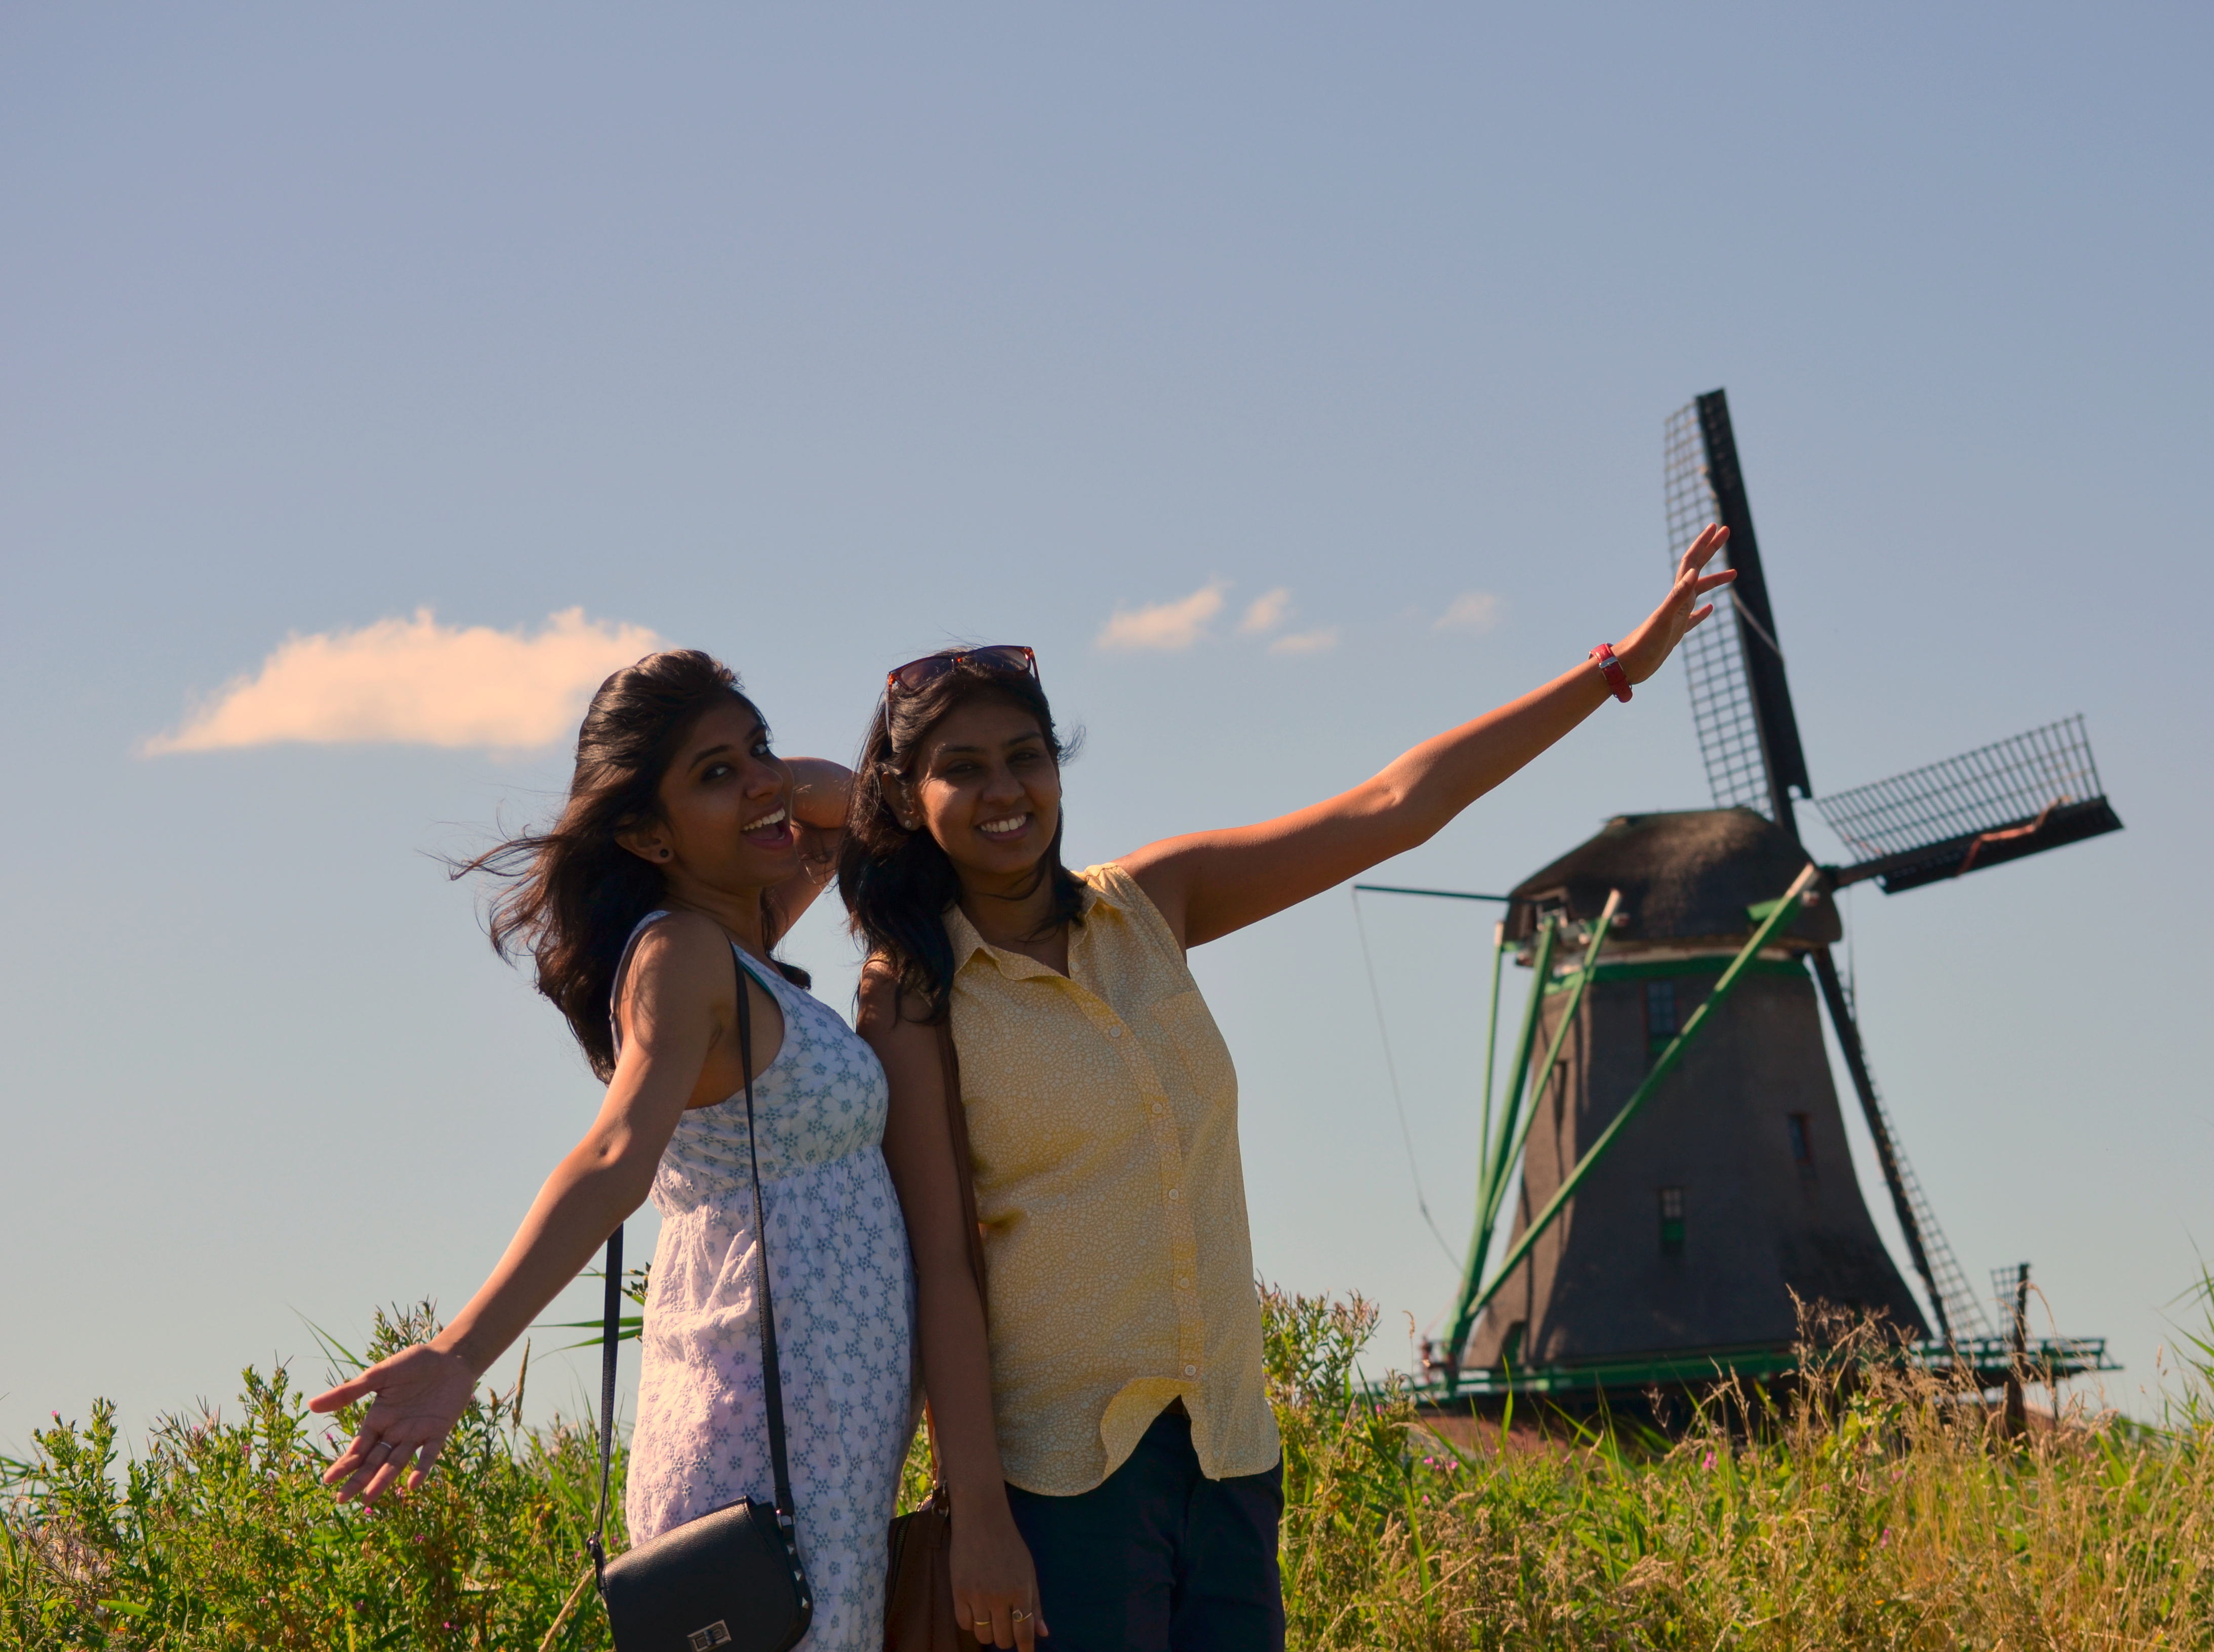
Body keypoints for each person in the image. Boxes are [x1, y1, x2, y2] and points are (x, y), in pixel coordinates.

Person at [839, 527, 1736, 1652]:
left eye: (1025, 756)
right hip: (1062, 1479)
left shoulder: (1150, 907)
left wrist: (1612, 674)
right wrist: (977, 1516)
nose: (1002, 791)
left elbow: (1396, 804)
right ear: (910, 794)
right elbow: (945, 1266)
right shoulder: (912, 992)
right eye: (959, 769)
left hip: (1228, 1454)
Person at [309, 649, 920, 1652]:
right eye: (713, 773)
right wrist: (462, 1356)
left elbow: (851, 812)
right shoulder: (682, 957)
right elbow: (610, 1162)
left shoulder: (741, 940)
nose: (762, 780)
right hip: (756, 1452)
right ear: (643, 832)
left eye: (756, 748)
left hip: (822, 1446)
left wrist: (756, 779)